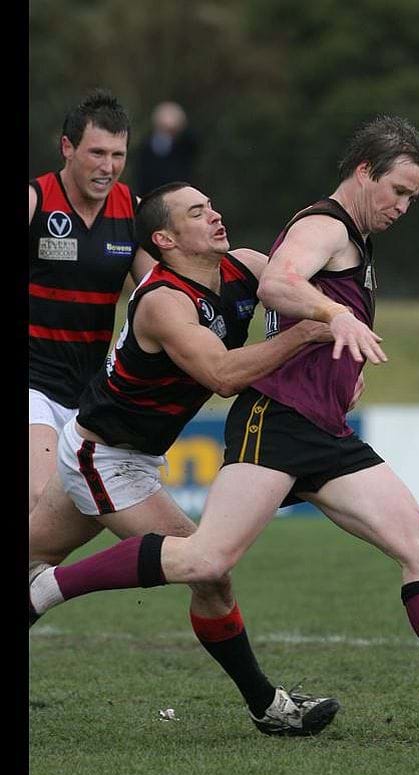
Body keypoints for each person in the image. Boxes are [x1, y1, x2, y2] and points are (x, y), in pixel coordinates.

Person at [30, 116, 419, 745]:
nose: (404, 206)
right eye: (398, 190)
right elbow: (265, 315)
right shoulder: (282, 245)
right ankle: (49, 594)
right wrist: (327, 319)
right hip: (167, 441)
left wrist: (342, 360)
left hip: (314, 429)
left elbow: (271, 282)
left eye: (414, 197)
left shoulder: (246, 264)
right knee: (207, 562)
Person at [29, 181, 342, 736]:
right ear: (166, 240)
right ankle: (268, 707)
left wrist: (337, 346)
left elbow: (297, 288)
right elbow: (222, 376)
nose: (216, 216)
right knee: (210, 568)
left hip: (120, 453)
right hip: (105, 459)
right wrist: (313, 334)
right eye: (197, 213)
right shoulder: (163, 303)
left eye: (213, 205)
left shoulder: (246, 267)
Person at [30, 89, 155, 515]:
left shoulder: (132, 212)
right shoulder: (36, 202)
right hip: (33, 384)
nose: (108, 167)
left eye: (118, 154)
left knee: (79, 519)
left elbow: (159, 293)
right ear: (67, 147)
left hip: (89, 394)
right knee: (39, 495)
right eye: (96, 152)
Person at [135, 101, 199, 194]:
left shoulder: (183, 144)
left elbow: (193, 141)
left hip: (179, 192)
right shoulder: (147, 145)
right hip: (152, 193)